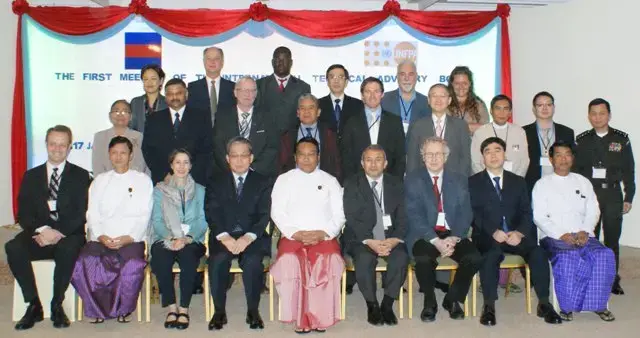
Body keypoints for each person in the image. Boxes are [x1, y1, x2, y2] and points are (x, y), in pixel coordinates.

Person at [469, 137, 562, 326]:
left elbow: (527, 212)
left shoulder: (518, 181)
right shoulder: (473, 182)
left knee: (537, 252)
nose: (493, 155)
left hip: (515, 236)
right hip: (488, 236)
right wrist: (493, 231)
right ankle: (489, 305)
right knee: (491, 255)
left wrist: (519, 233)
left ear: (504, 155)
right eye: (488, 151)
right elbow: (473, 213)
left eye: (497, 150)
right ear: (482, 158)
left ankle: (544, 303)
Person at [6, 125, 91, 330]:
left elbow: (81, 212)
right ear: (46, 145)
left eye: (62, 144)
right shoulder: (31, 176)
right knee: (13, 247)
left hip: (68, 234)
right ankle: (34, 304)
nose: (57, 148)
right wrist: (43, 230)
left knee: (68, 249)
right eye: (53, 143)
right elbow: (23, 213)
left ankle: (57, 305)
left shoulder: (81, 176)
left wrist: (58, 232)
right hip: (39, 233)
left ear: (70, 147)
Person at [71, 136, 153, 324]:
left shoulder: (142, 180)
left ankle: (123, 309)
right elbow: (92, 213)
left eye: (123, 153)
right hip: (102, 237)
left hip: (131, 238)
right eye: (114, 153)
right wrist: (101, 235)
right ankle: (97, 309)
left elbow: (144, 214)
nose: (118, 157)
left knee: (132, 264)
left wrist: (129, 237)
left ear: (130, 155)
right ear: (109, 155)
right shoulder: (99, 181)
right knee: (87, 261)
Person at [533, 140, 616, 322]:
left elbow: (594, 209)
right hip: (554, 236)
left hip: (583, 234)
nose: (563, 159)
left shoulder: (583, 181)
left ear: (572, 157)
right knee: (568, 256)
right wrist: (561, 234)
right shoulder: (542, 184)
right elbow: (539, 216)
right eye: (559, 155)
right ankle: (567, 306)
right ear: (551, 159)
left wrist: (585, 231)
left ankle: (598, 305)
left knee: (605, 255)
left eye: (567, 154)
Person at [270, 138, 345, 333]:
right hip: (292, 236)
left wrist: (324, 233)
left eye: (311, 154)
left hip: (324, 237)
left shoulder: (330, 181)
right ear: (295, 157)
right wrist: (296, 233)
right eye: (301, 155)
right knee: (289, 261)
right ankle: (298, 317)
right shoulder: (284, 180)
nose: (306, 159)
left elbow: (340, 214)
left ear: (318, 157)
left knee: (329, 260)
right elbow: (277, 212)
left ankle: (320, 317)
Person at [405, 137, 481, 322]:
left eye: (438, 154)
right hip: (425, 234)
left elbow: (466, 212)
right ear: (423, 157)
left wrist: (455, 237)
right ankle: (429, 302)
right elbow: (414, 215)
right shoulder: (413, 179)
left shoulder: (459, 179)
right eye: (428, 154)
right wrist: (436, 241)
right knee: (422, 258)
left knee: (474, 257)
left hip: (452, 232)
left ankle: (453, 299)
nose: (433, 158)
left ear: (445, 157)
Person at [206, 137, 272, 331]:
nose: (239, 160)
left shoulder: (263, 181)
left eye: (244, 155)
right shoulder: (215, 181)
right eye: (234, 155)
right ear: (227, 158)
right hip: (223, 236)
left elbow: (264, 214)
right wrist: (225, 237)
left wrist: (247, 237)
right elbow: (212, 211)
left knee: (252, 261)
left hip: (252, 236)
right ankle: (219, 312)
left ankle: (253, 310)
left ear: (251, 158)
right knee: (218, 260)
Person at [573, 98, 635, 295]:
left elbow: (629, 171)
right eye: (594, 113)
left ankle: (612, 279)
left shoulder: (621, 139)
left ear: (609, 115)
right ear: (589, 116)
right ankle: (589, 275)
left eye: (602, 113)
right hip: (590, 195)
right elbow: (576, 171)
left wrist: (629, 197)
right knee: (590, 237)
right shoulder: (582, 140)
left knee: (611, 240)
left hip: (612, 195)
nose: (597, 117)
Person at [343, 145, 408, 326]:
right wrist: (370, 241)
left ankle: (387, 304)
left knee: (401, 257)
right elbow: (352, 217)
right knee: (364, 259)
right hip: (361, 237)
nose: (373, 164)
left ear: (385, 163)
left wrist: (394, 240)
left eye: (378, 159)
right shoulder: (351, 183)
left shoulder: (396, 184)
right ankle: (372, 305)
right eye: (369, 160)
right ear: (362, 163)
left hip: (390, 237)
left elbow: (403, 216)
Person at [150, 149, 207, 330]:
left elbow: (202, 220)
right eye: (177, 162)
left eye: (186, 162)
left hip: (192, 240)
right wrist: (172, 237)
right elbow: (157, 221)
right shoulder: (159, 190)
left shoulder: (200, 190)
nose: (181, 167)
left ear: (191, 166)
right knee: (160, 258)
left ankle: (184, 308)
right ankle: (171, 307)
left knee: (188, 258)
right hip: (166, 238)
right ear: (171, 165)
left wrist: (187, 238)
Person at [142, 78, 213, 186]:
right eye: (170, 94)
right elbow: (148, 150)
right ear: (165, 96)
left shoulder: (201, 117)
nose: (174, 97)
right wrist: (164, 174)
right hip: (164, 180)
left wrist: (187, 176)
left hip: (194, 181)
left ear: (186, 94)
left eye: (178, 93)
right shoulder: (154, 119)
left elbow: (207, 150)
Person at [212, 76, 278, 178]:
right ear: (235, 92)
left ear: (256, 93)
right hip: (228, 175)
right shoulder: (222, 117)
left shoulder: (267, 117)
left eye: (252, 90)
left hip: (259, 176)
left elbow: (272, 147)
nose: (248, 94)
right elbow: (218, 147)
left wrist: (252, 169)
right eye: (244, 90)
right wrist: (233, 169)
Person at [341, 77, 405, 180]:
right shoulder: (351, 122)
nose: (372, 96)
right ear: (362, 96)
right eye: (368, 92)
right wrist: (352, 182)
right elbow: (346, 156)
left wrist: (395, 182)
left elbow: (400, 156)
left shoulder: (394, 121)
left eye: (376, 91)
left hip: (388, 181)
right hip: (359, 182)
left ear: (382, 94)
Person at [406, 83, 471, 176]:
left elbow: (465, 159)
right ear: (428, 100)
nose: (438, 100)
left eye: (442, 96)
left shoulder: (460, 125)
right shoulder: (417, 125)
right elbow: (412, 160)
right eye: (434, 96)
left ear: (449, 100)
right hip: (423, 181)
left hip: (454, 181)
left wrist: (462, 182)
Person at [279, 93, 342, 182]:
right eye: (303, 108)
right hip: (294, 184)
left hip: (323, 184)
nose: (306, 112)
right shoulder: (287, 136)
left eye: (311, 108)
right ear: (298, 113)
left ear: (318, 112)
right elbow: (282, 166)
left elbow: (336, 166)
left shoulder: (330, 135)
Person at [523, 91, 575, 195]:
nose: (545, 108)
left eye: (548, 104)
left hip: (561, 186)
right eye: (540, 105)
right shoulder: (523, 132)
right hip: (532, 186)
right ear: (534, 109)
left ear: (554, 107)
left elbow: (571, 160)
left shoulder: (567, 132)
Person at [256, 46, 311, 134]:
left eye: (284, 59)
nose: (280, 63)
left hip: (293, 139)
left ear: (291, 62)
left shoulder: (303, 87)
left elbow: (306, 117)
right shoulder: (259, 85)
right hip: (265, 140)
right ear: (272, 62)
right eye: (277, 59)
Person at [471, 94, 529, 177]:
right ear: (491, 110)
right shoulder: (480, 132)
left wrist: (516, 180)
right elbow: (475, 161)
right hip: (487, 182)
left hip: (514, 181)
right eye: (498, 108)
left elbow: (524, 161)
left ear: (510, 112)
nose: (502, 113)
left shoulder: (519, 132)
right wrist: (487, 180)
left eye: (505, 109)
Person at [93, 99, 147, 176]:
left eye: (125, 112)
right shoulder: (100, 137)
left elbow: (142, 166)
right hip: (106, 182)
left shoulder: (139, 137)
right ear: (110, 115)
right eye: (116, 111)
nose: (120, 115)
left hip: (134, 182)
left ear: (131, 116)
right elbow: (97, 167)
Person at [187, 46, 236, 127]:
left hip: (226, 136)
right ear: (203, 62)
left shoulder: (233, 88)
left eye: (216, 58)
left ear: (222, 62)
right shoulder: (192, 88)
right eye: (209, 58)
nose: (212, 62)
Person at [381, 60, 432, 134]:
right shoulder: (384, 100)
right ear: (397, 76)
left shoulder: (427, 102)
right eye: (402, 74)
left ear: (416, 76)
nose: (406, 78)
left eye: (410, 74)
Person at [317, 64, 364, 136]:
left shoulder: (358, 105)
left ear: (346, 82)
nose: (336, 81)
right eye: (332, 77)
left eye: (340, 77)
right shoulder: (318, 104)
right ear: (327, 81)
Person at [447, 66, 489, 134]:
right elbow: (443, 128)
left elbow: (485, 129)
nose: (461, 87)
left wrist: (457, 127)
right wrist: (471, 127)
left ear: (470, 84)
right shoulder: (444, 103)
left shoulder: (479, 104)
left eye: (464, 83)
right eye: (457, 83)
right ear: (452, 84)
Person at [130, 64, 168, 133]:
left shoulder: (167, 103)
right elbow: (131, 128)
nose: (149, 82)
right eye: (146, 79)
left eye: (153, 79)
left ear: (161, 81)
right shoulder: (135, 102)